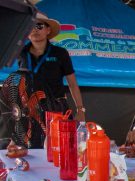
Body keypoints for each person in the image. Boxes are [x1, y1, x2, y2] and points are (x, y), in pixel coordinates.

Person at [16, 12, 85, 146]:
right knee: (32, 150)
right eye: (31, 26)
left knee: (62, 148)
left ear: (48, 30)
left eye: (39, 26)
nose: (35, 30)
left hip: (57, 109)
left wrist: (80, 110)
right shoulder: (21, 53)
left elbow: (72, 83)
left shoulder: (60, 53)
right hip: (31, 111)